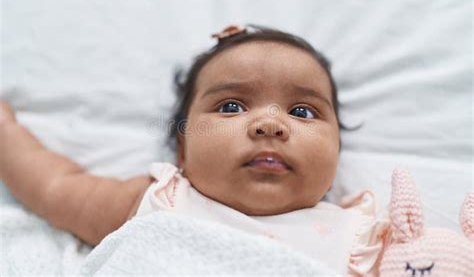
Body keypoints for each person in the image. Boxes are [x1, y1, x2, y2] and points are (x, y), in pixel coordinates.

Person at [0, 24, 388, 275]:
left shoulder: (363, 240)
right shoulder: (157, 201)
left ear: (337, 151)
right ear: (182, 148)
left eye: (302, 111)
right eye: (231, 106)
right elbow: (54, 186)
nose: (270, 124)